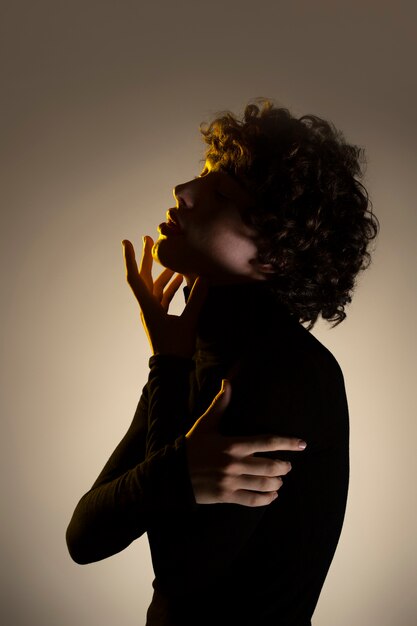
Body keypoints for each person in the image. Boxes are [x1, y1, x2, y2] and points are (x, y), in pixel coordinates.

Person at [66, 99, 379, 625]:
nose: (183, 191)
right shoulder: (194, 355)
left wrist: (171, 469)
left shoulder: (292, 372)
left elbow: (180, 575)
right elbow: (84, 536)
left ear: (277, 251)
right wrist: (168, 364)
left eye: (220, 192)